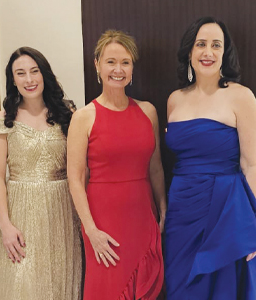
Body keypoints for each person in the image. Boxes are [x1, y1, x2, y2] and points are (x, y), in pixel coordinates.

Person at [165, 16, 256, 299]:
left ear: (225, 53)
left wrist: (254, 226)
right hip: (182, 209)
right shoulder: (175, 99)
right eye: (201, 44)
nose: (208, 52)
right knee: (181, 286)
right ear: (190, 51)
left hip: (226, 210)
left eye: (216, 45)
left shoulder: (241, 97)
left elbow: (252, 165)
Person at [67, 30, 165, 300]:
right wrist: (91, 230)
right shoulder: (84, 117)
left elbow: (155, 167)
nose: (118, 69)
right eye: (111, 62)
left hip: (143, 216)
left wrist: (163, 209)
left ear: (133, 68)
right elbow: (75, 179)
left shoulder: (148, 112)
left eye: (125, 62)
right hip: (102, 222)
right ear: (97, 64)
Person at [0, 46, 82, 300]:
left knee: (60, 280)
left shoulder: (67, 114)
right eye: (20, 73)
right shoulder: (2, 120)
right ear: (13, 80)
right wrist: (5, 225)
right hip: (20, 213)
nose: (29, 80)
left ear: (44, 74)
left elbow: (81, 168)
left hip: (62, 210)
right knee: (23, 284)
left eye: (34, 71)